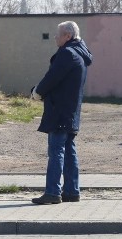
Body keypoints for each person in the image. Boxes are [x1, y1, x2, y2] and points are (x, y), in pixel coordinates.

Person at [29, 21, 93, 205]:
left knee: (56, 151)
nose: (55, 37)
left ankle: (52, 192)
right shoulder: (80, 55)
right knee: (69, 151)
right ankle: (72, 191)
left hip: (59, 110)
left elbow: (52, 78)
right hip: (71, 111)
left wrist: (37, 92)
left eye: (58, 34)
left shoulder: (67, 54)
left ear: (68, 36)